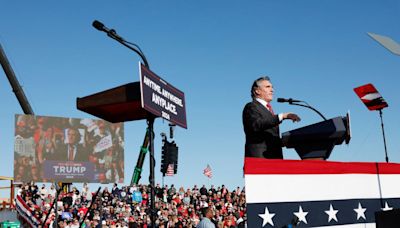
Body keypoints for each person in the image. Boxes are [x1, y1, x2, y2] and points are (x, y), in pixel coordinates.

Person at [242, 76, 301, 159]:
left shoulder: (269, 111)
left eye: (272, 87)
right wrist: (282, 116)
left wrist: (284, 141)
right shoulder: (251, 106)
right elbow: (256, 125)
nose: (272, 90)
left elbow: (267, 137)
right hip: (260, 159)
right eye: (267, 87)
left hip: (274, 159)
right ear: (257, 91)